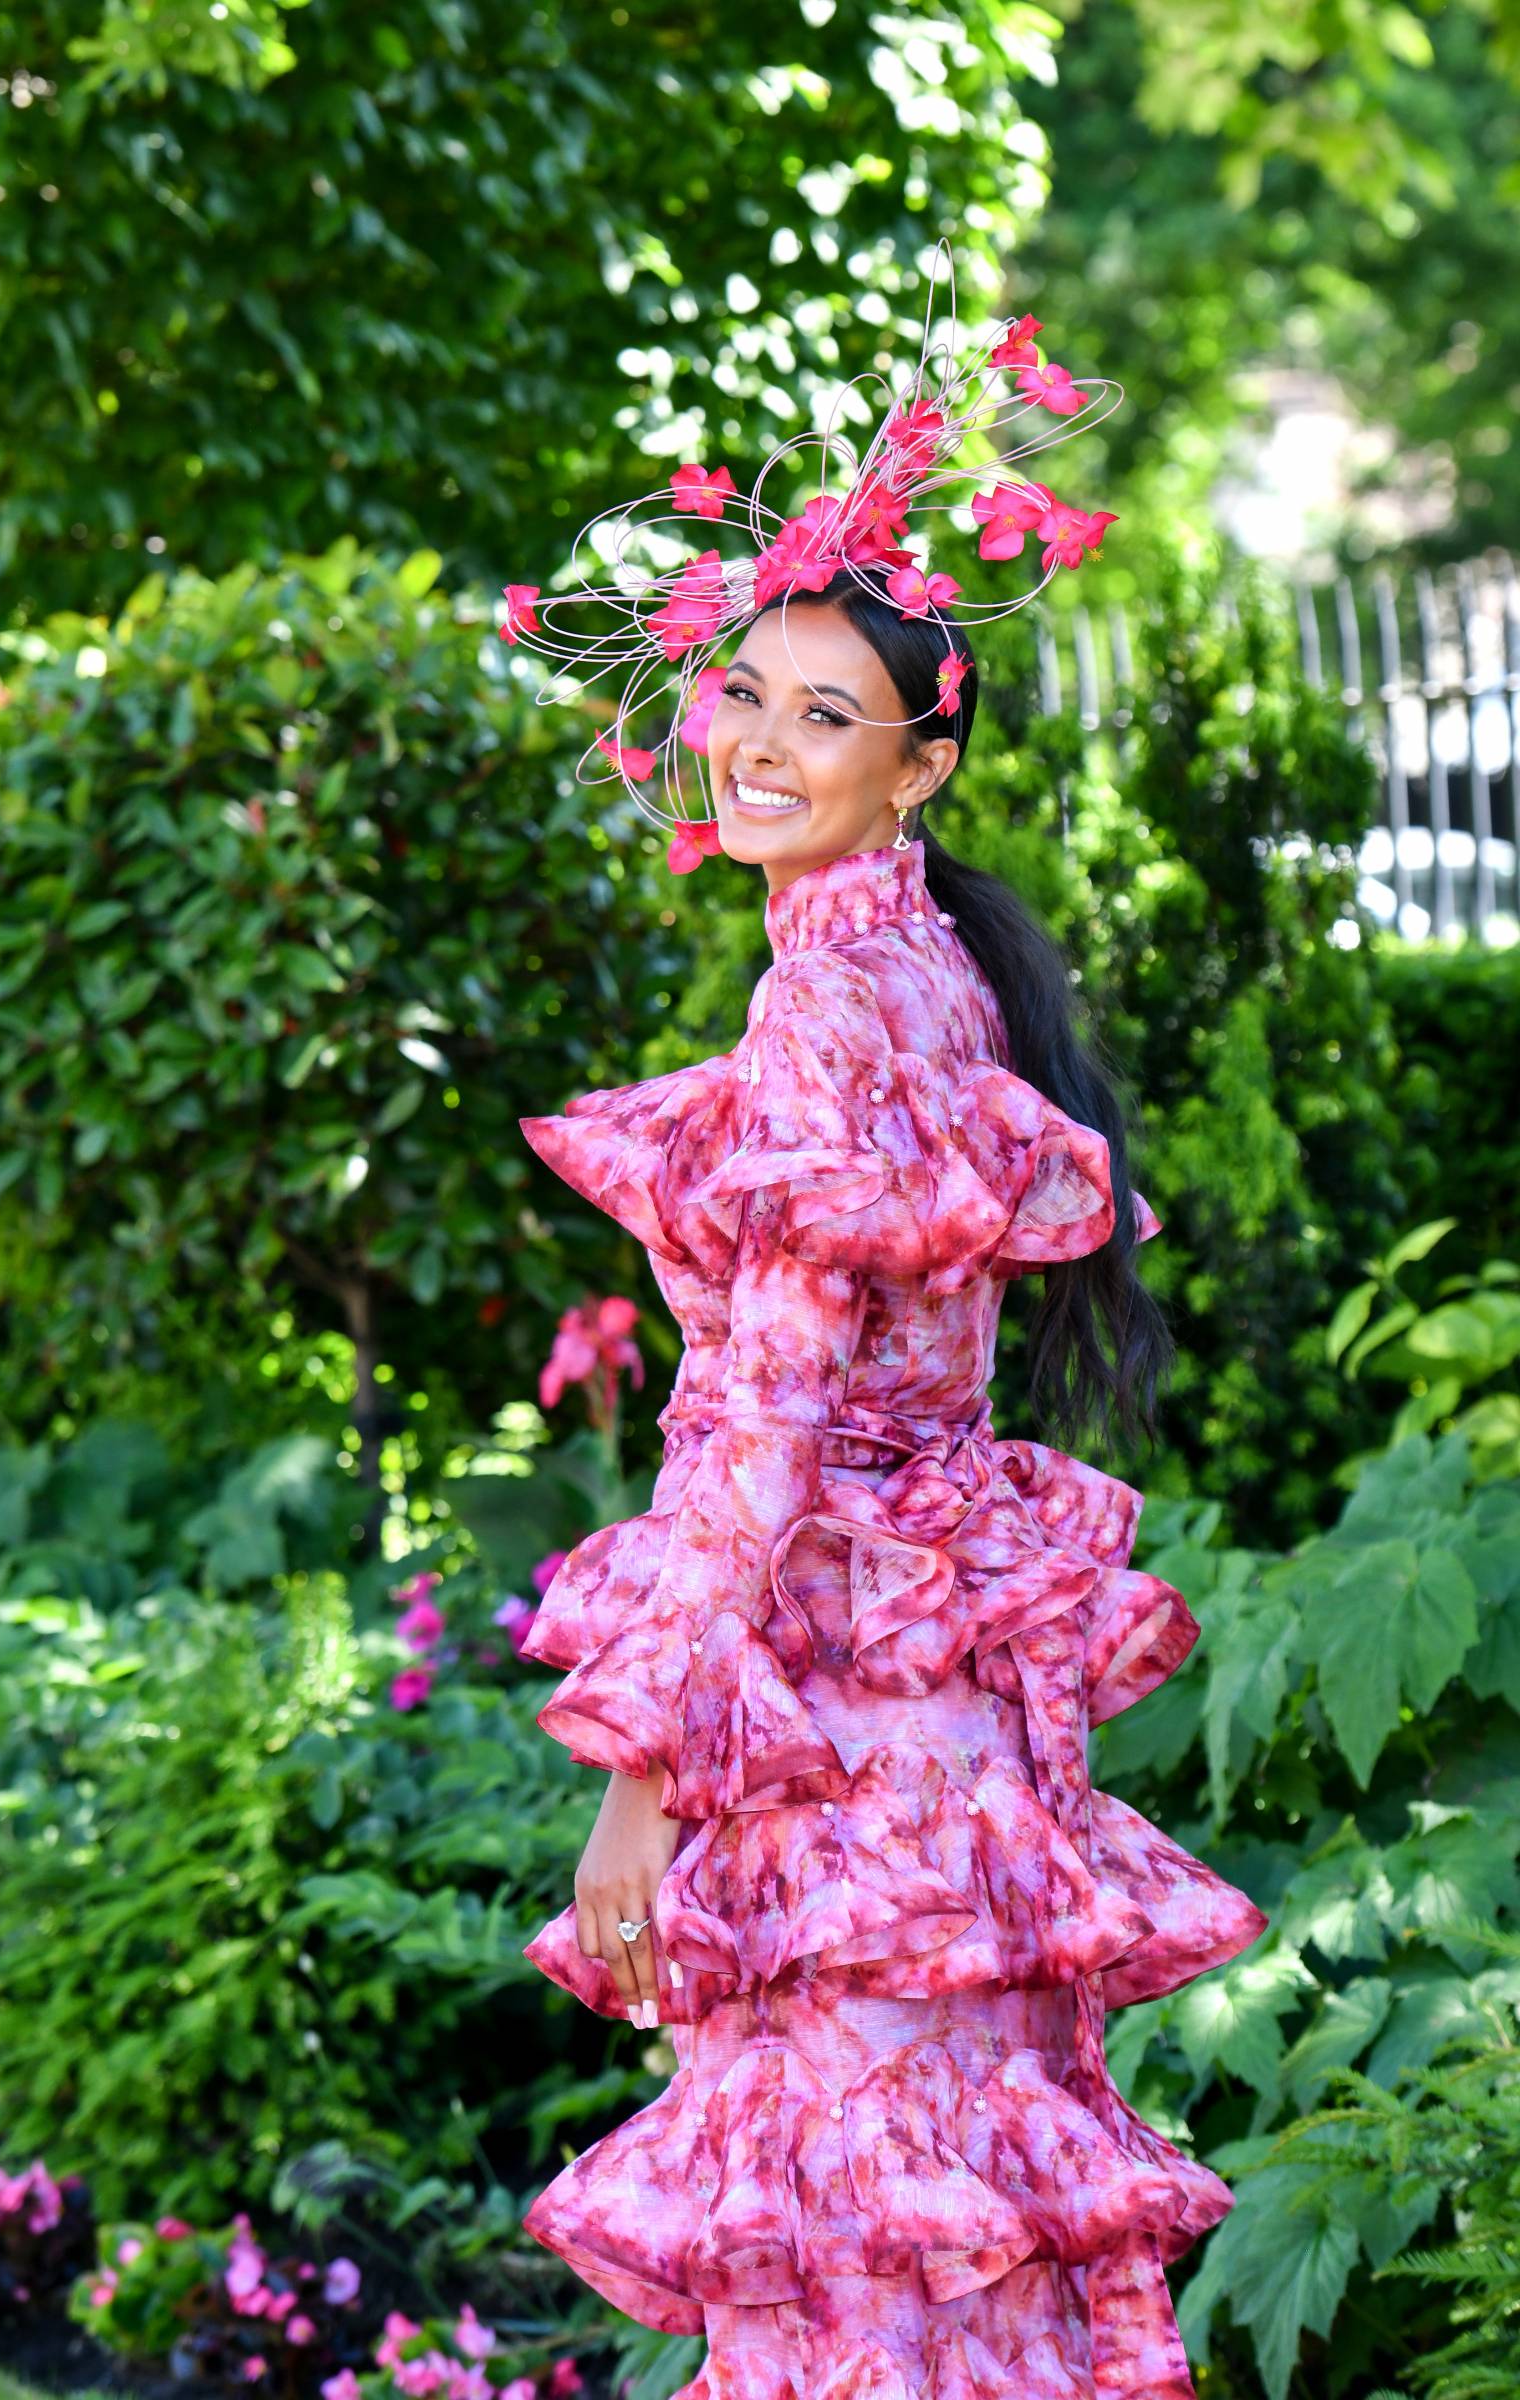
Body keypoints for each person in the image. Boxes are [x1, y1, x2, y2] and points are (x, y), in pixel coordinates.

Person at [507, 249, 1269, 2400]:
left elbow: (755, 1413)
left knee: (860, 2277)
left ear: (917, 766)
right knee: (949, 2267)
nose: (751, 740)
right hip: (934, 1733)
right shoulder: (918, 965)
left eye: (816, 713)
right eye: (740, 692)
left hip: (841, 1731)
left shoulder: (831, 989)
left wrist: (646, 1774)